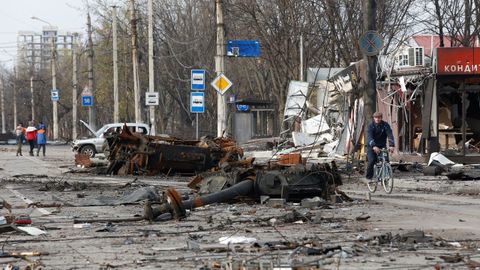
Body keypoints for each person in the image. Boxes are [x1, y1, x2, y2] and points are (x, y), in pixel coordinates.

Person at [366, 112, 395, 181]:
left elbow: (390, 134)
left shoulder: (385, 125)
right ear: (374, 118)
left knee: (386, 160)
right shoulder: (371, 126)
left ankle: (386, 177)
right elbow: (369, 137)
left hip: (382, 146)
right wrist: (374, 146)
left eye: (379, 117)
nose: (377, 119)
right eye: (376, 118)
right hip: (372, 146)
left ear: (381, 118)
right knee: (371, 161)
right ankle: (369, 178)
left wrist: (391, 145)